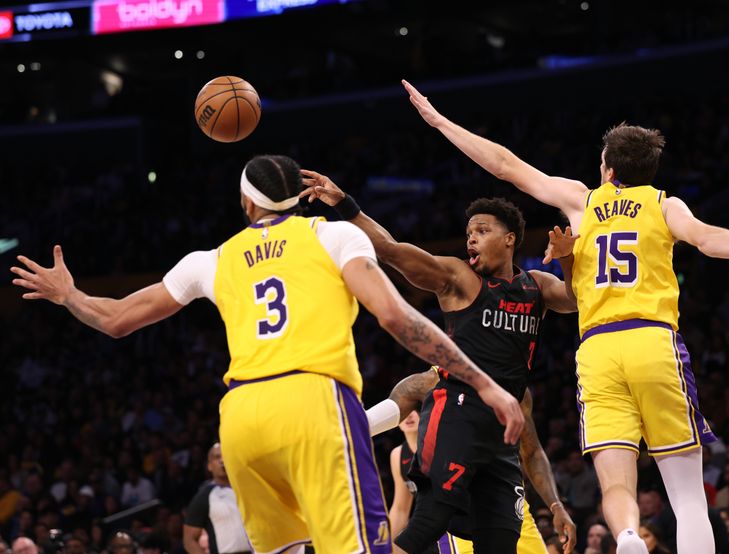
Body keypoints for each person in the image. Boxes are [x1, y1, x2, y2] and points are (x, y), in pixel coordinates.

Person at [10, 154, 523, 554]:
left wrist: (69, 296)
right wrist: (482, 381)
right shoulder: (333, 235)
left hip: (240, 420)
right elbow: (395, 317)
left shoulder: (209, 259)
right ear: (297, 199)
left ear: (247, 202)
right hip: (313, 401)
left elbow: (117, 320)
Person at [401, 79, 729, 554]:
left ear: (606, 167)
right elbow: (706, 239)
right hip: (652, 339)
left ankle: (626, 537)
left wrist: (439, 121)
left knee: (616, 484)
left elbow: (505, 165)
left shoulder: (582, 201)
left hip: (598, 348)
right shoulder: (664, 204)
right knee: (686, 495)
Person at [301, 169, 576, 554]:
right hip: (457, 414)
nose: (471, 239)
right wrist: (345, 205)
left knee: (501, 543)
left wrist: (566, 261)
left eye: (481, 230)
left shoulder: (535, 285)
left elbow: (580, 299)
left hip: (501, 435)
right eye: (468, 234)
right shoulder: (458, 278)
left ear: (510, 238)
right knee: (427, 525)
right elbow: (392, 250)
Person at [375, 367, 577, 553]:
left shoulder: (514, 385)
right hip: (460, 513)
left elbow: (532, 452)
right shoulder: (434, 380)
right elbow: (400, 510)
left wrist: (556, 505)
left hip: (508, 506)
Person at [183, 444, 249, 554]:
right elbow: (189, 540)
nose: (222, 461)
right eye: (217, 457)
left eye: (225, 456)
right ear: (209, 466)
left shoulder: (248, 489)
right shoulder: (205, 496)